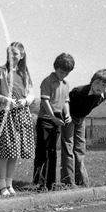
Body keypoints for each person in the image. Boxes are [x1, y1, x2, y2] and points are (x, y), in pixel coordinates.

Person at [0, 42, 35, 196]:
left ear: (22, 55)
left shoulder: (25, 73)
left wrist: (25, 101)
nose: (12, 56)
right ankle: (1, 184)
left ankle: (9, 183)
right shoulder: (1, 71)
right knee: (6, 150)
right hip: (7, 114)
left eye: (15, 53)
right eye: (9, 53)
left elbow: (31, 93)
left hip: (22, 114)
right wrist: (6, 99)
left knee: (15, 151)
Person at [61, 69, 106, 187]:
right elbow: (65, 101)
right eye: (97, 83)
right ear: (91, 82)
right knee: (68, 147)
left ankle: (82, 182)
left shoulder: (102, 96)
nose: (99, 86)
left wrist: (80, 119)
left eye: (104, 85)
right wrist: (67, 116)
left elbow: (88, 106)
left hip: (81, 119)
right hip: (69, 117)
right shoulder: (78, 91)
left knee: (80, 148)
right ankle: (68, 182)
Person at [33, 53, 75, 191]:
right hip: (46, 118)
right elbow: (45, 101)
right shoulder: (47, 81)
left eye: (67, 73)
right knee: (42, 151)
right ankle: (39, 182)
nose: (64, 75)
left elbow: (65, 102)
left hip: (57, 119)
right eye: (62, 72)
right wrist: (53, 117)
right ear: (56, 68)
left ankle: (50, 183)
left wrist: (67, 114)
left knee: (52, 152)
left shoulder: (65, 84)